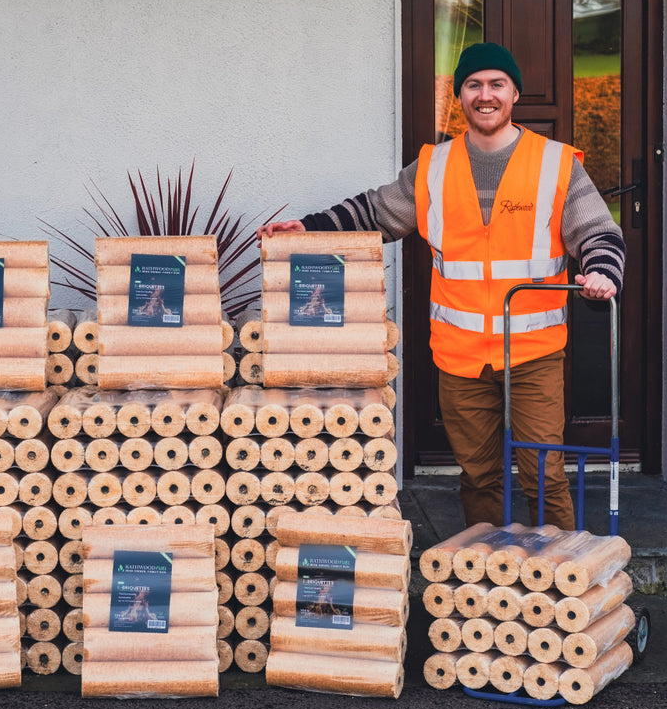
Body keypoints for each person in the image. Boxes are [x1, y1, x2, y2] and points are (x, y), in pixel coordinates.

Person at [257, 42, 625, 530]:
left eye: (496, 84)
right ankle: (487, 584)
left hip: (534, 354)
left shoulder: (555, 163)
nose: (485, 95)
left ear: (514, 93)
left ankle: (555, 585)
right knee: (478, 476)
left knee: (545, 475)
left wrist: (602, 271)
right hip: (460, 356)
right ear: (461, 96)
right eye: (473, 85)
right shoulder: (435, 166)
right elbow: (375, 212)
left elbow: (599, 232)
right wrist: (310, 228)